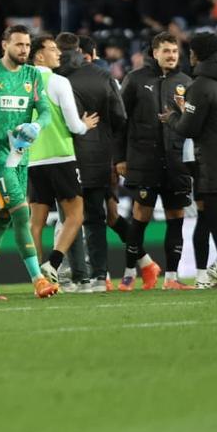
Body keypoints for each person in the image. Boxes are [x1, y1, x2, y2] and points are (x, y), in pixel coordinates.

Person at [0, 25, 56, 300]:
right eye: (18, 45)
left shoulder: (32, 75)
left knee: (2, 217)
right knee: (20, 210)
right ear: (4, 44)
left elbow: (46, 112)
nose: (24, 50)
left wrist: (37, 126)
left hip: (20, 156)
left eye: (27, 45)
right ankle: (38, 278)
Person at [165, 32, 217, 289]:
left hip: (212, 162)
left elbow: (189, 127)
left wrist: (171, 118)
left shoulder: (200, 85)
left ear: (196, 54)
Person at [115, 32, 193, 291]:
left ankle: (171, 278)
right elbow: (120, 123)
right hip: (144, 161)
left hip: (176, 162)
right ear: (155, 52)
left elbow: (192, 124)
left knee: (176, 217)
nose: (172, 55)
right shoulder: (135, 80)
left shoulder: (185, 82)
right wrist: (120, 157)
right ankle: (129, 273)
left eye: (175, 51)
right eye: (167, 51)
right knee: (140, 216)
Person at [25, 33, 100, 285]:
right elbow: (73, 124)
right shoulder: (58, 81)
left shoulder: (20, 82)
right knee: (76, 216)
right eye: (53, 49)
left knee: (36, 223)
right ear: (39, 55)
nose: (58, 53)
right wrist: (85, 125)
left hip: (33, 160)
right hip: (60, 157)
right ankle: (53, 263)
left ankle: (37, 278)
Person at [55, 35, 127, 292]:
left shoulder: (53, 77)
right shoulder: (102, 76)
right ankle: (99, 276)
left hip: (64, 155)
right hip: (98, 156)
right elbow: (120, 117)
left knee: (69, 218)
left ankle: (78, 277)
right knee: (95, 218)